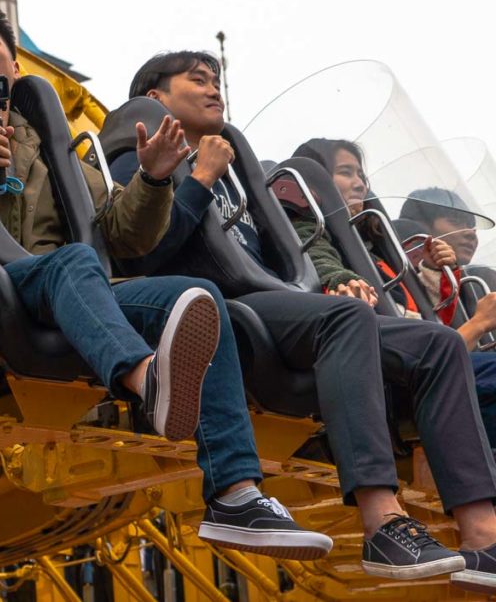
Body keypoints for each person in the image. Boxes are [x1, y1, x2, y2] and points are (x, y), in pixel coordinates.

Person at [0, 0, 332, 559]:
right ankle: (147, 382)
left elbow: (123, 234)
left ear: (16, 67)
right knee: (73, 262)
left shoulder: (54, 147)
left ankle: (236, 494)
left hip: (64, 292)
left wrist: (153, 179)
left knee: (195, 297)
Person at [116, 50, 496, 589]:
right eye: (196, 80)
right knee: (343, 320)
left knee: (438, 345)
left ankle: (483, 538)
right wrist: (197, 178)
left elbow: (287, 250)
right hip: (221, 304)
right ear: (154, 97)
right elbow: (143, 254)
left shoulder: (238, 169)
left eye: (215, 79)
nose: (212, 88)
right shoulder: (144, 149)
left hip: (279, 296)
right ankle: (382, 522)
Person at [289, 138, 496, 456]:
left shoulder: (369, 247)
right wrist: (481, 323)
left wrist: (430, 269)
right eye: (346, 172)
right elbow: (323, 264)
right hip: (396, 371)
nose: (359, 183)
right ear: (312, 183)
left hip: (421, 358)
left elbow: (413, 315)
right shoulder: (312, 231)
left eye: (361, 175)